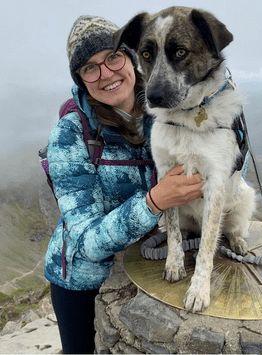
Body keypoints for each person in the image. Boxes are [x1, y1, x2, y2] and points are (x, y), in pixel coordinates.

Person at [45, 16, 203, 354]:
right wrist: (153, 202)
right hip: (81, 281)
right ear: (81, 79)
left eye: (113, 57)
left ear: (131, 58)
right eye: (90, 68)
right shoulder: (71, 134)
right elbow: (86, 240)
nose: (106, 74)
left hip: (144, 265)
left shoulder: (167, 111)